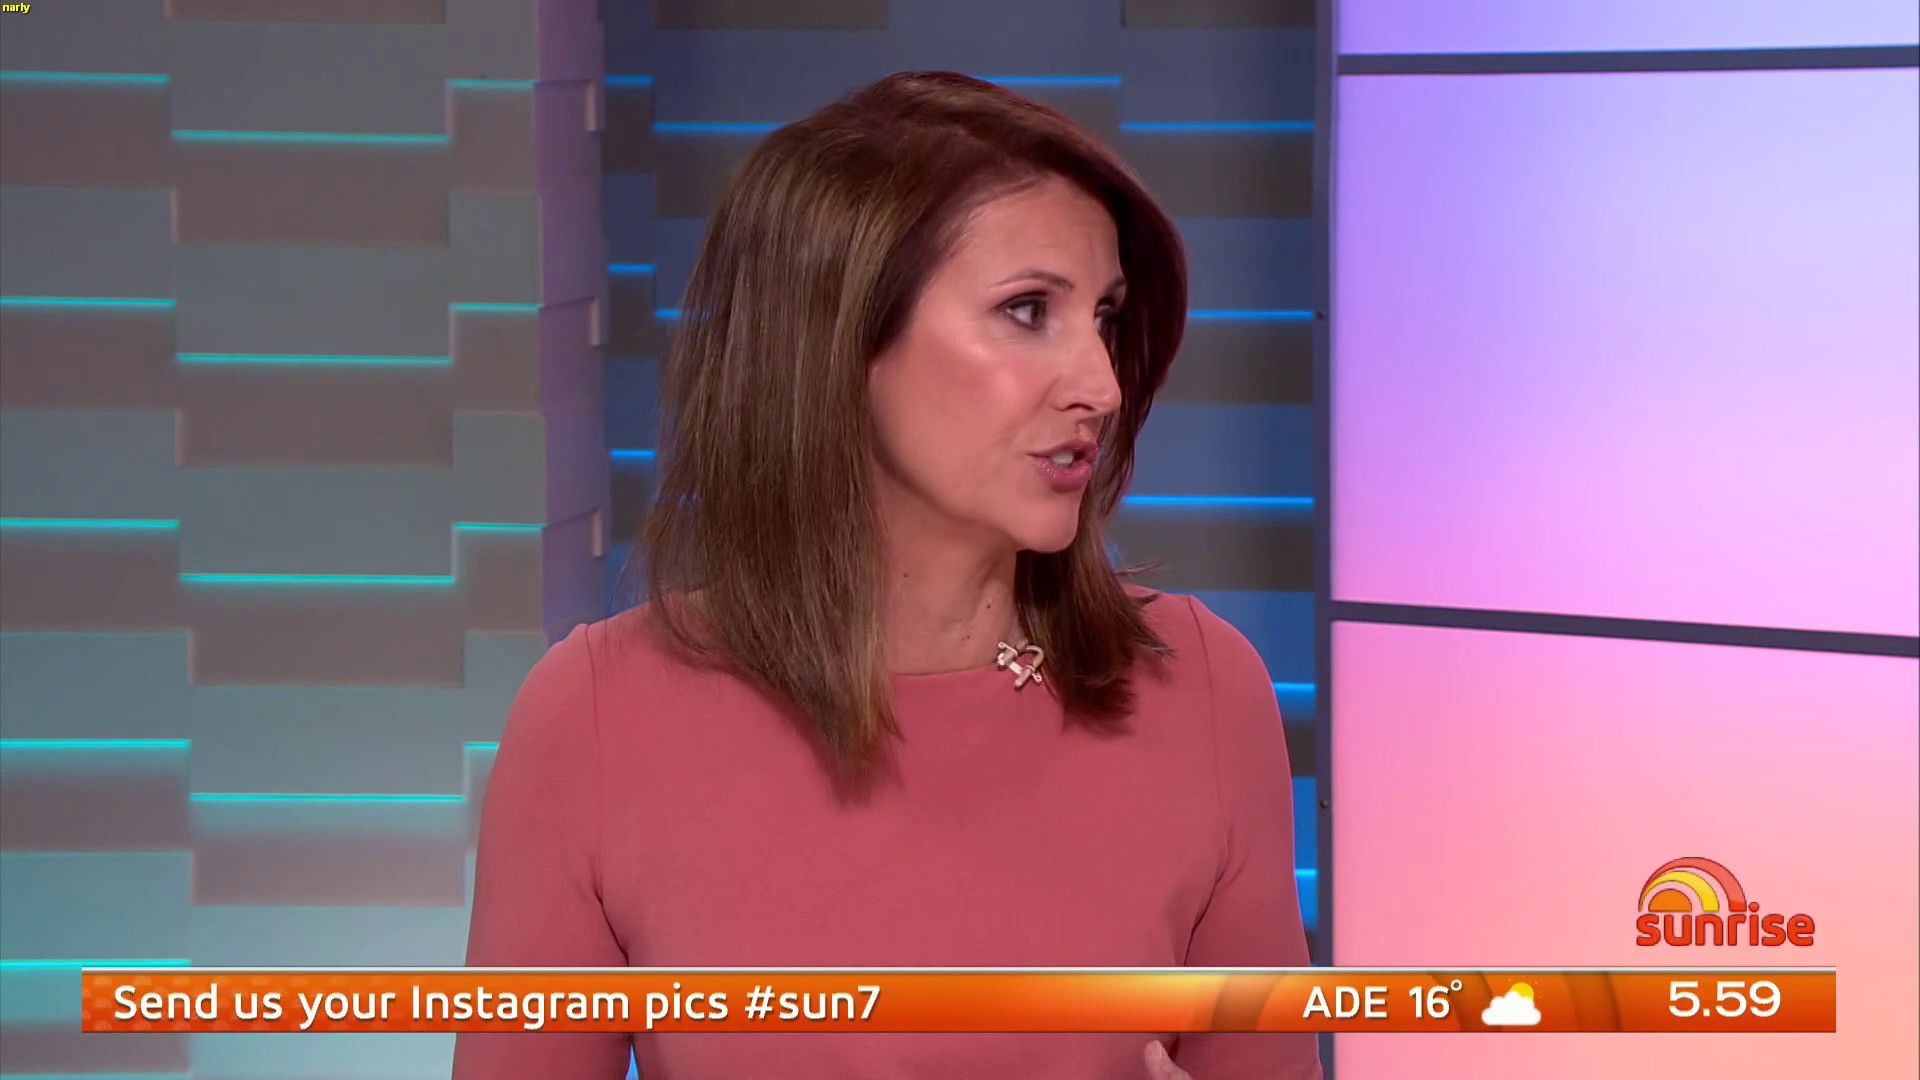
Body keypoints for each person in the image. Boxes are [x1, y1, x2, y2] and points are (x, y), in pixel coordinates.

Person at [453, 70, 1321, 1080]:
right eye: (1027, 310)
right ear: (839, 341)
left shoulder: (1204, 691)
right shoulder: (594, 724)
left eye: (1106, 319)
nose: (1100, 385)